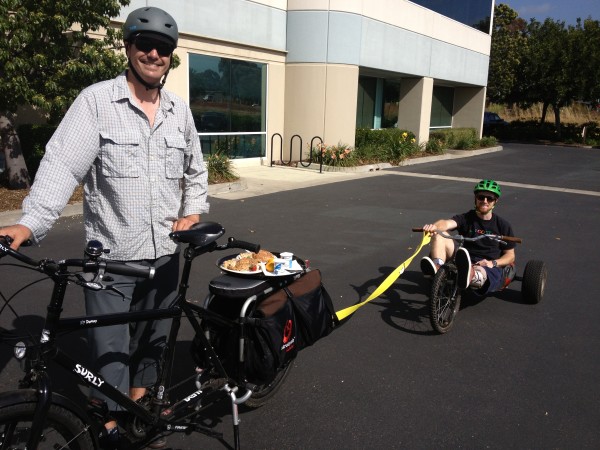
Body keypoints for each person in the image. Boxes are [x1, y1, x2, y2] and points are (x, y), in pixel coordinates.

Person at [0, 6, 208, 448]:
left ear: (171, 57)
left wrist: (192, 211)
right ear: (128, 47)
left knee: (154, 338)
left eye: (164, 49)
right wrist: (30, 223)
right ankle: (109, 425)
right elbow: (61, 165)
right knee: (108, 347)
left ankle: (141, 408)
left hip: (165, 255)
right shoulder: (97, 102)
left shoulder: (178, 112)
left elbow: (196, 170)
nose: (154, 54)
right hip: (112, 258)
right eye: (145, 45)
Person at [420, 179, 516, 294]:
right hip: (463, 259)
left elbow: (510, 256)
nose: (485, 201)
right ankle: (438, 267)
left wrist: (493, 263)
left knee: (481, 271)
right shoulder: (466, 218)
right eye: (481, 197)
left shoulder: (503, 225)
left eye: (489, 198)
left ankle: (471, 275)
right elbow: (446, 223)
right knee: (440, 234)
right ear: (475, 198)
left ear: (495, 201)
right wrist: (434, 227)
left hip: (486, 265)